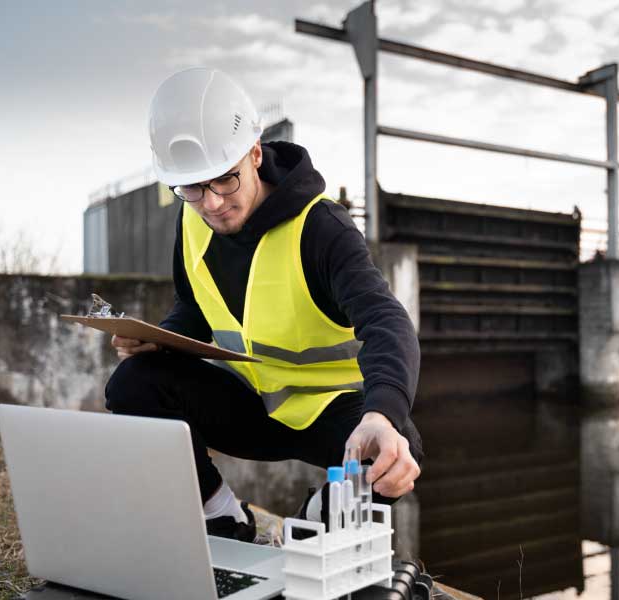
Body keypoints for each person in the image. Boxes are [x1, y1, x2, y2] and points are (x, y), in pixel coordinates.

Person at [104, 67, 423, 541]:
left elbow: (385, 319)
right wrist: (161, 342)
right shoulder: (192, 222)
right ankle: (221, 517)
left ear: (254, 153)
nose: (211, 204)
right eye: (192, 188)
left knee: (397, 448)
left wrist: (381, 413)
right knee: (133, 383)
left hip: (326, 414)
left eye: (225, 181)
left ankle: (312, 522)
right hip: (248, 407)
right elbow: (194, 308)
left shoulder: (321, 229)